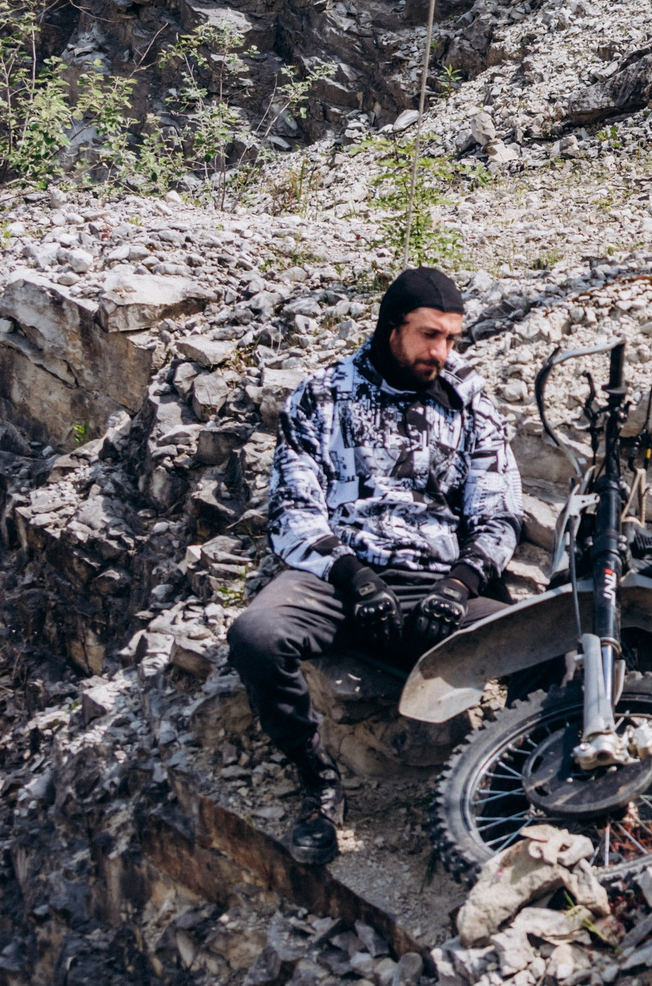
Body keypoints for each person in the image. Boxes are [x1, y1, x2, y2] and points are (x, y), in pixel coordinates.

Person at [229, 269, 520, 865]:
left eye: (452, 339)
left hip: (436, 585)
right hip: (337, 578)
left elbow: (498, 517)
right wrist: (351, 577)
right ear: (392, 330)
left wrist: (459, 585)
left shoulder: (472, 403)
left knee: (552, 648)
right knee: (255, 636)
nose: (441, 352)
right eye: (429, 336)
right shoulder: (321, 395)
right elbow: (292, 510)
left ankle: (515, 785)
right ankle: (317, 783)